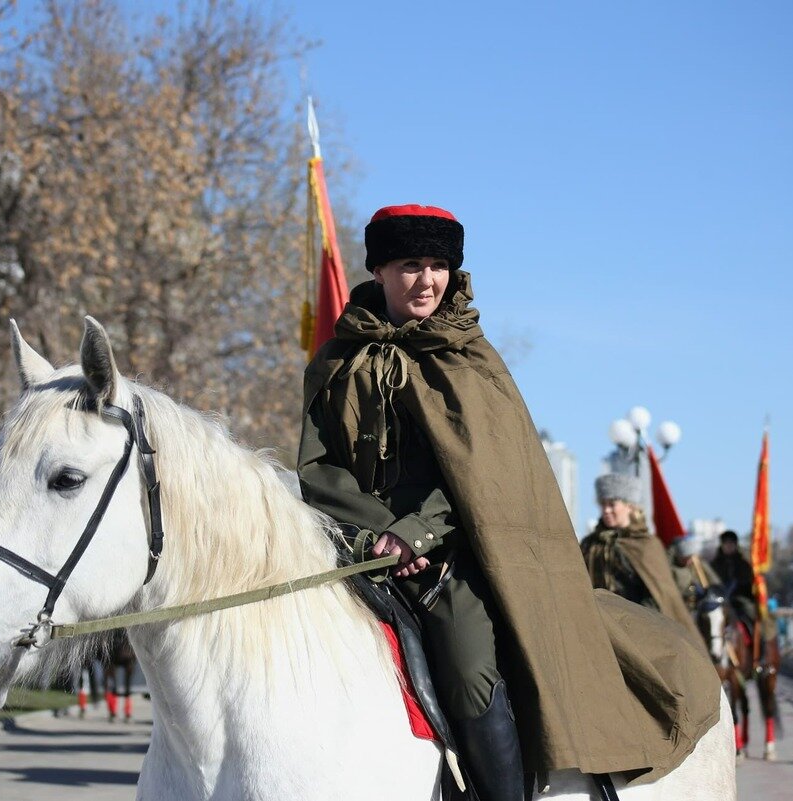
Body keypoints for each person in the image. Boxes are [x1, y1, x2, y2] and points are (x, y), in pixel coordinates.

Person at [299, 204, 719, 799]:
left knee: (470, 673)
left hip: (458, 555)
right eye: (411, 264)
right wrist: (375, 536)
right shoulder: (334, 363)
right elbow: (318, 469)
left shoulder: (469, 357)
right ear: (380, 269)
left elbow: (488, 475)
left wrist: (414, 534)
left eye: (438, 265)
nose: (426, 281)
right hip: (359, 547)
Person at [580, 473, 699, 638]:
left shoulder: (647, 545)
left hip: (639, 630)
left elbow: (659, 596)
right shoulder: (590, 544)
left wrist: (632, 623)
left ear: (629, 506)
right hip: (596, 628)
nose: (606, 510)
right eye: (603, 504)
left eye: (612, 504)